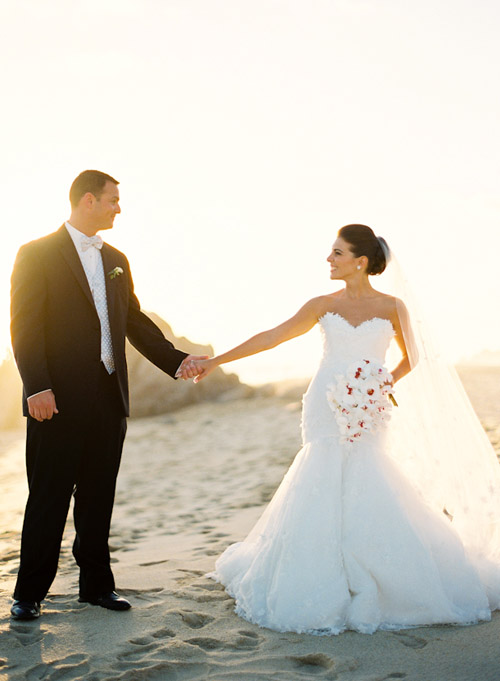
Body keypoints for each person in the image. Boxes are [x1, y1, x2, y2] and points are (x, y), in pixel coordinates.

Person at [186, 224, 500, 635]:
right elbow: (273, 336)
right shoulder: (321, 304)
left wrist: (378, 386)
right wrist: (215, 360)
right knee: (321, 470)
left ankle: (378, 572)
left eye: (337, 253)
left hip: (367, 404)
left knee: (369, 474)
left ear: (361, 261)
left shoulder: (392, 306)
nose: (329, 260)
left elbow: (412, 357)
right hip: (323, 403)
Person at [10, 170, 204, 620]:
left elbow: (134, 322)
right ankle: (28, 594)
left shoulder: (116, 258)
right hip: (54, 400)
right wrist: (37, 386)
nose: (120, 207)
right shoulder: (35, 253)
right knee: (49, 498)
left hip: (108, 399)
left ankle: (96, 587)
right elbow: (24, 326)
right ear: (88, 201)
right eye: (114, 200)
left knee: (98, 498)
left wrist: (177, 361)